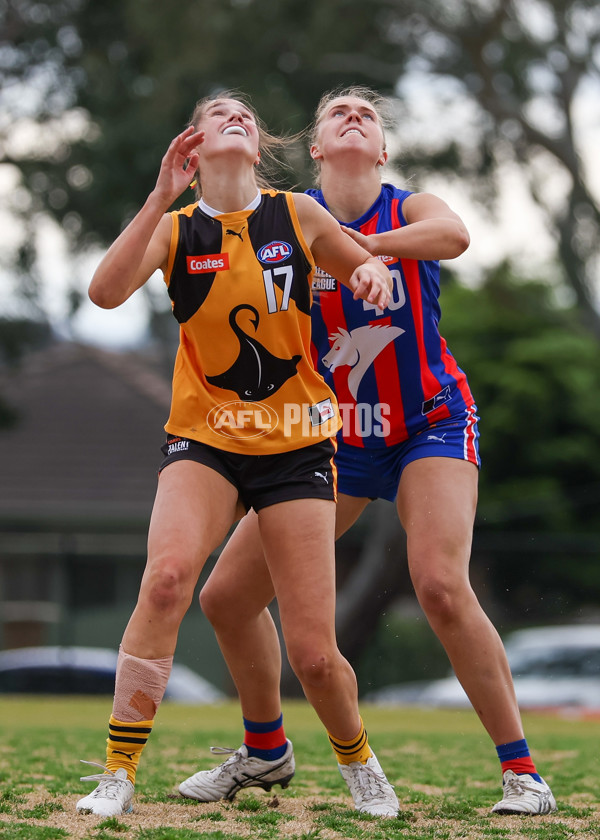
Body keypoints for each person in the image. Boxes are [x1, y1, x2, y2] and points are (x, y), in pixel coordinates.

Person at [191, 86, 557, 816]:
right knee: (226, 598)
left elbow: (454, 237)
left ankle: (523, 774)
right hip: (332, 443)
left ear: (382, 151)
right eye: (337, 113)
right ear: (316, 148)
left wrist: (360, 250)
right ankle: (265, 751)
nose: (354, 115)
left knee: (441, 586)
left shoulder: (408, 208)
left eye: (369, 115)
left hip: (430, 423)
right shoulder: (282, 222)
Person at [75, 90, 400, 819]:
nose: (238, 117)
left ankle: (360, 763)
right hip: (206, 440)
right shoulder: (178, 227)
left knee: (314, 655)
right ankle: (118, 773)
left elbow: (355, 263)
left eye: (246, 117)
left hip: (298, 445)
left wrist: (368, 272)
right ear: (194, 145)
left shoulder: (297, 214)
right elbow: (102, 293)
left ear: (258, 149)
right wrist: (160, 196)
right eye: (220, 112)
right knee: (165, 582)